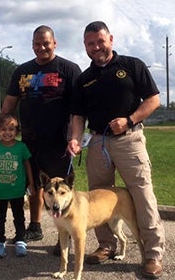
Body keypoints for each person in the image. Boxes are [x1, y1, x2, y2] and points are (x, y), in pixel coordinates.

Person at [67, 21, 165, 279]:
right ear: (85, 46)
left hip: (129, 140)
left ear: (110, 39)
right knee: (97, 198)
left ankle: (152, 254)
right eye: (90, 43)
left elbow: (154, 99)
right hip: (97, 142)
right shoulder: (84, 79)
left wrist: (130, 120)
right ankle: (106, 245)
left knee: (142, 196)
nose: (96, 47)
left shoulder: (132, 65)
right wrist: (75, 139)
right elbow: (78, 115)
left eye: (100, 41)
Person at [0, 25, 81, 255]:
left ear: (55, 43)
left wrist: (75, 137)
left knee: (61, 189)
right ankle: (35, 227)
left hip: (59, 141)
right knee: (34, 186)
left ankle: (65, 237)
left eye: (46, 43)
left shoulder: (69, 69)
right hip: (29, 141)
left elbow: (78, 108)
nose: (42, 48)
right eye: (37, 44)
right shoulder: (21, 71)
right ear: (32, 45)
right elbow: (9, 103)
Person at [0, 114, 35, 258]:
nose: (7, 132)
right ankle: (0, 242)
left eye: (11, 129)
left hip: (17, 190)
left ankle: (20, 240)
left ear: (17, 131)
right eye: (4, 129)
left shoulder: (21, 148)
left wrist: (31, 183)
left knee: (19, 216)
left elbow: (28, 166)